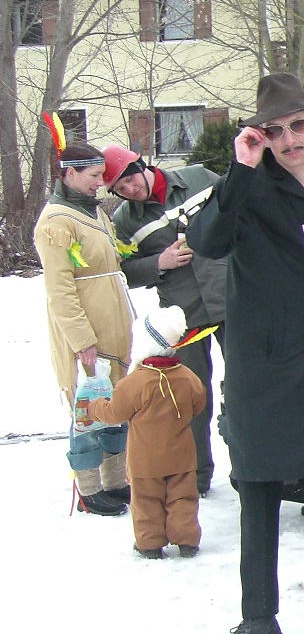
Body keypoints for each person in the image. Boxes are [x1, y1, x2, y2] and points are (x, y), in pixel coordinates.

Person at [188, 72, 304, 634]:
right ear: (259, 136)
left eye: (297, 126)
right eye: (275, 131)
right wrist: (239, 170)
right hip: (264, 366)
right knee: (258, 492)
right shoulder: (246, 186)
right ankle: (258, 619)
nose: (289, 140)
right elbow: (208, 242)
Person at [103, 146, 225, 496]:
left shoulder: (198, 178)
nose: (128, 189)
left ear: (142, 165)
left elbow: (239, 210)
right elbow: (124, 271)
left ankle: (256, 472)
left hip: (231, 298)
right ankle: (196, 477)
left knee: (247, 387)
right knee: (186, 396)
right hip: (182, 316)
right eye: (119, 188)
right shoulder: (125, 221)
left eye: (129, 179)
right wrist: (159, 262)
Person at [33, 130, 133, 517]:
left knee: (113, 400)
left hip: (112, 325)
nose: (100, 183)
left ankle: (116, 480)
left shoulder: (95, 213)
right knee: (88, 406)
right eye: (93, 176)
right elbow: (59, 288)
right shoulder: (56, 222)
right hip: (86, 331)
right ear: (70, 174)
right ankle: (89, 489)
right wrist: (81, 339)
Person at [85, 306, 206, 560]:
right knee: (183, 499)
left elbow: (114, 413)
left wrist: (94, 407)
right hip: (182, 457)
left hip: (145, 461)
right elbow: (199, 404)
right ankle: (187, 541)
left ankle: (150, 544)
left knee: (146, 502)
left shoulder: (134, 383)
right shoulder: (187, 377)